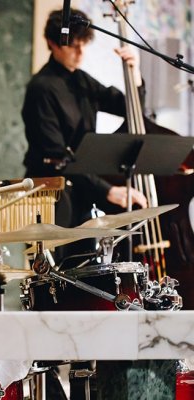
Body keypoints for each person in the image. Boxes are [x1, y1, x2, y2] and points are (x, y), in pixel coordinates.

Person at [22, 8, 148, 268]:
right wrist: (108, 190)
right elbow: (56, 156)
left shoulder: (82, 80)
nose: (80, 54)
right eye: (73, 47)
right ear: (52, 44)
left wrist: (134, 74)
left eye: (83, 46)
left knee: (83, 269)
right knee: (56, 275)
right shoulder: (41, 88)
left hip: (81, 189)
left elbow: (130, 110)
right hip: (52, 195)